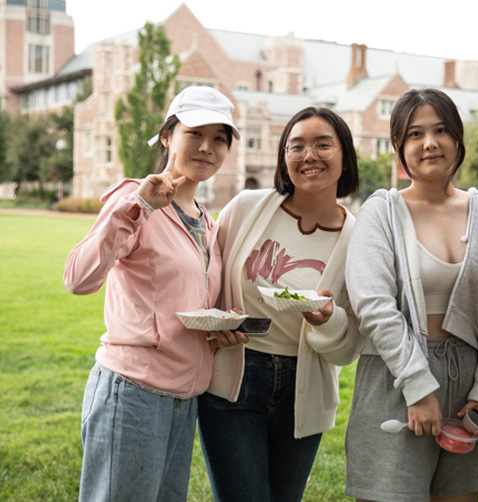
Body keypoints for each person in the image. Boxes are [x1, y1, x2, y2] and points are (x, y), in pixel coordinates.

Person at [64, 85, 240, 502]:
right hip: (132, 395)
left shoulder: (208, 225)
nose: (207, 147)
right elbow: (78, 278)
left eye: (219, 138)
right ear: (167, 136)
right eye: (195, 133)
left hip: (185, 401)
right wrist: (139, 205)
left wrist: (225, 328)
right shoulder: (134, 200)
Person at [344, 88, 478, 502]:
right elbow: (373, 305)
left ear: (457, 138)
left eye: (441, 130)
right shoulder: (380, 211)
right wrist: (419, 387)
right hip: (395, 380)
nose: (429, 143)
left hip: (469, 387)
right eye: (415, 134)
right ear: (399, 147)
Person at [197, 107, 364, 502]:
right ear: (283, 157)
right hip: (233, 380)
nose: (309, 155)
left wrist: (327, 320)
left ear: (345, 157)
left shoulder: (358, 240)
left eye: (323, 144)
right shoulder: (246, 208)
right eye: (297, 145)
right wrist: (214, 327)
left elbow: (348, 348)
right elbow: (206, 284)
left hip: (303, 390)